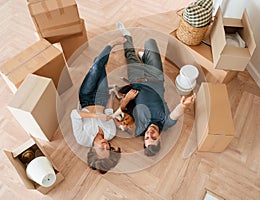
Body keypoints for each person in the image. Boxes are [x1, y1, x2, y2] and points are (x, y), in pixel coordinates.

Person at [115, 22, 196, 157]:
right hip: (156, 77)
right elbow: (176, 114)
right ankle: (145, 58)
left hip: (137, 80)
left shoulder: (139, 129)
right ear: (160, 138)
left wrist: (126, 102)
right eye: (154, 138)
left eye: (147, 138)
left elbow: (118, 119)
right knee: (150, 42)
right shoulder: (165, 122)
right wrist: (183, 106)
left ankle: (127, 35)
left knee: (130, 54)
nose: (149, 134)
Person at [70, 37, 126, 174]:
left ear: (93, 150)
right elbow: (108, 109)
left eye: (102, 149)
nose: (106, 146)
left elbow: (74, 114)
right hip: (102, 98)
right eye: (108, 149)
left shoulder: (82, 139)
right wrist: (113, 94)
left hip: (86, 98)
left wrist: (96, 115)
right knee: (101, 69)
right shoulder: (110, 133)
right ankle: (99, 60)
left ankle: (111, 43)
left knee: (96, 68)